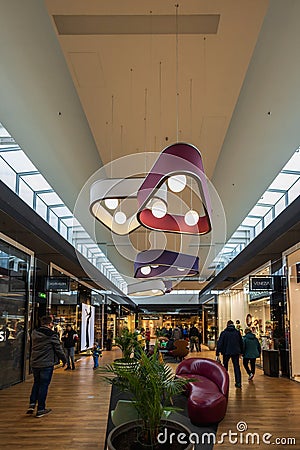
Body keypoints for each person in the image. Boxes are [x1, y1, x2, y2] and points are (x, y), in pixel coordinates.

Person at [26, 316, 67, 417]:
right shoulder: (52, 335)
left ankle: (32, 404)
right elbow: (58, 349)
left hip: (35, 362)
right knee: (43, 385)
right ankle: (40, 409)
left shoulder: (34, 333)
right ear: (50, 324)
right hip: (46, 363)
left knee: (36, 383)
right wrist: (64, 360)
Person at [216, 320, 243, 388]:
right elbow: (241, 342)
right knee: (236, 366)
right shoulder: (237, 333)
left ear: (227, 325)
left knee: (225, 367)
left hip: (226, 352)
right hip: (235, 352)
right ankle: (238, 382)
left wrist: (217, 353)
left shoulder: (224, 333)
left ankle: (225, 382)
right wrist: (241, 352)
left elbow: (220, 343)